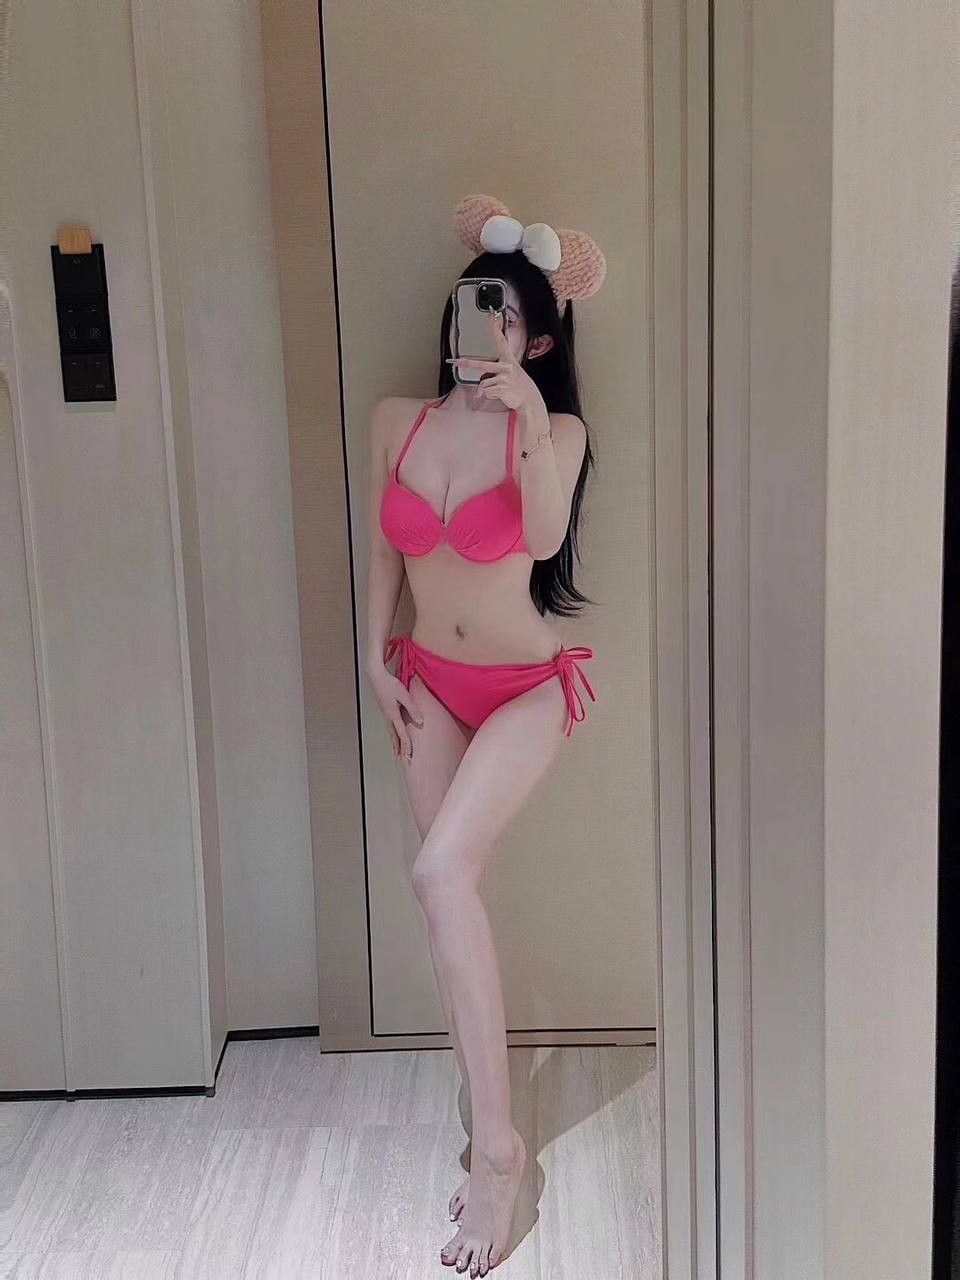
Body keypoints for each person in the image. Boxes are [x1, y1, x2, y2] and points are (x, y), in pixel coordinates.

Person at [365, 194, 605, 1277]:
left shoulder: (557, 432)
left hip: (524, 689)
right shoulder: (396, 419)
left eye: (507, 313)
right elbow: (382, 547)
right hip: (427, 679)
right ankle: (487, 1109)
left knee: (437, 871)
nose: (486, 322)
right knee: (445, 896)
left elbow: (545, 538)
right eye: (476, 302)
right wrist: (373, 656)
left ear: (536, 340)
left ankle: (498, 1150)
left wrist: (529, 420)